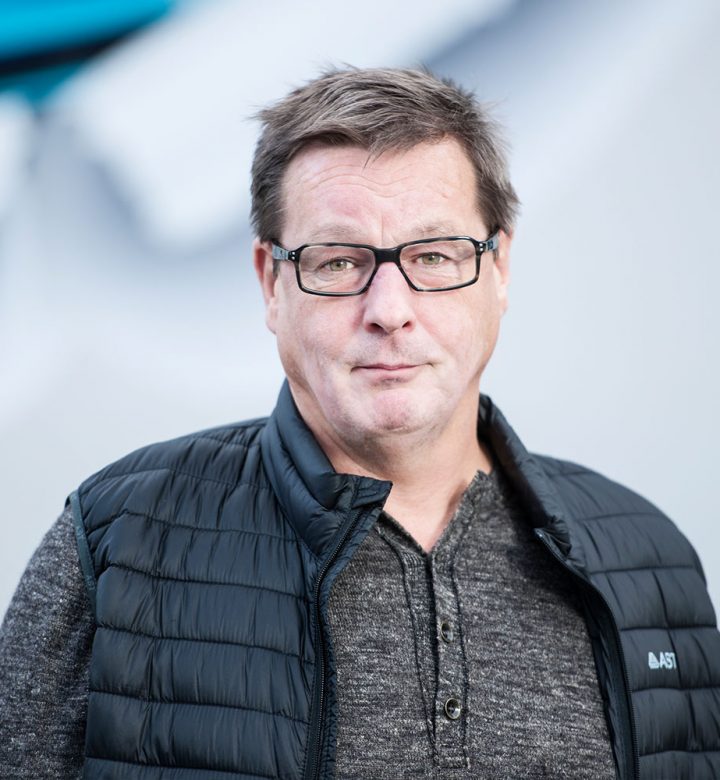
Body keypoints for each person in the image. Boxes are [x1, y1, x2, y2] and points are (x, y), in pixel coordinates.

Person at [1, 67, 719, 780]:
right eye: (339, 262)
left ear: (499, 269)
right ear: (271, 283)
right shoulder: (117, 537)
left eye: (434, 256)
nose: (389, 310)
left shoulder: (648, 562)